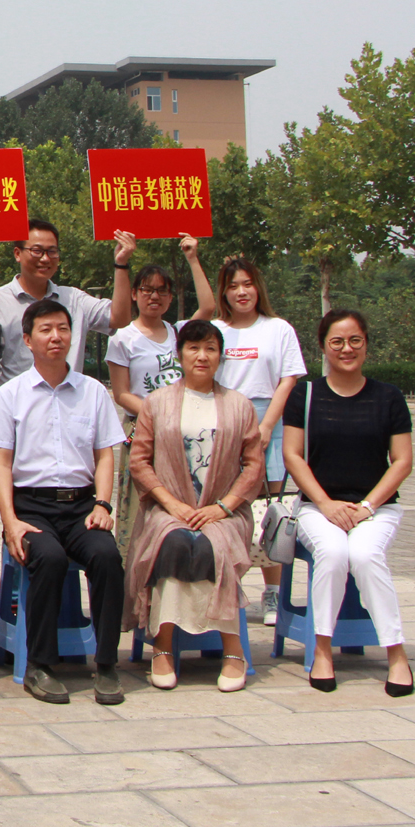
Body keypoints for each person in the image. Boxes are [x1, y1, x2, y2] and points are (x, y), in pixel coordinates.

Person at [0, 298, 128, 706]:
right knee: (50, 558)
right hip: (32, 507)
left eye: (63, 328)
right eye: (45, 330)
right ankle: (40, 665)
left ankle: (107, 664)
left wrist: (103, 505)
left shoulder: (93, 392)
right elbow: (1, 463)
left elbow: (104, 455)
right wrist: (10, 522)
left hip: (82, 507)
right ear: (28, 340)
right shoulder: (10, 395)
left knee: (107, 558)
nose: (56, 336)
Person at [123, 319, 261, 693]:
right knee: (176, 542)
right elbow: (140, 461)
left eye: (210, 349)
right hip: (168, 510)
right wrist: (171, 504)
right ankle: (164, 644)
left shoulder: (240, 405)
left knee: (213, 545)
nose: (202, 356)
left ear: (221, 356)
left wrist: (223, 507)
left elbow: (253, 465)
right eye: (194, 348)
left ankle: (232, 647)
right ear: (180, 354)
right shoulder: (157, 402)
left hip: (224, 511)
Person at [282, 310, 415, 697]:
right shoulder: (305, 394)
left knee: (365, 555)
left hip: (376, 509)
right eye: (337, 341)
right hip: (317, 507)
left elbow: (402, 461)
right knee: (334, 553)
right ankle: (322, 650)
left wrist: (368, 507)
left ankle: (396, 654)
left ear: (366, 345)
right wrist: (325, 504)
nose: (346, 349)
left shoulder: (388, 397)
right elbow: (292, 455)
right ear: (323, 347)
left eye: (355, 340)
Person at [105, 237, 216, 553]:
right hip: (144, 429)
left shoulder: (180, 332)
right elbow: (122, 393)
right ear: (135, 294)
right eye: (147, 290)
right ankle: (133, 565)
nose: (154, 296)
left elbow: (208, 307)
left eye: (162, 291)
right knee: (140, 501)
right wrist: (159, 414)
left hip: (184, 429)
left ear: (170, 297)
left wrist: (192, 258)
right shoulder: (123, 338)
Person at [0, 220, 134, 432]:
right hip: (18, 419)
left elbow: (119, 318)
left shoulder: (74, 299)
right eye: (37, 251)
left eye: (52, 251)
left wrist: (121, 264)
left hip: (70, 416)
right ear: (18, 253)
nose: (45, 258)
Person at [213, 254, 306, 625]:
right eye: (233, 285)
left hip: (270, 421)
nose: (241, 292)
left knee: (271, 509)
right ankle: (228, 587)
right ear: (224, 292)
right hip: (224, 423)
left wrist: (267, 426)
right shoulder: (215, 329)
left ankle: (273, 594)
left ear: (258, 288)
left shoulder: (278, 328)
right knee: (226, 506)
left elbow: (288, 379)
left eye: (247, 284)